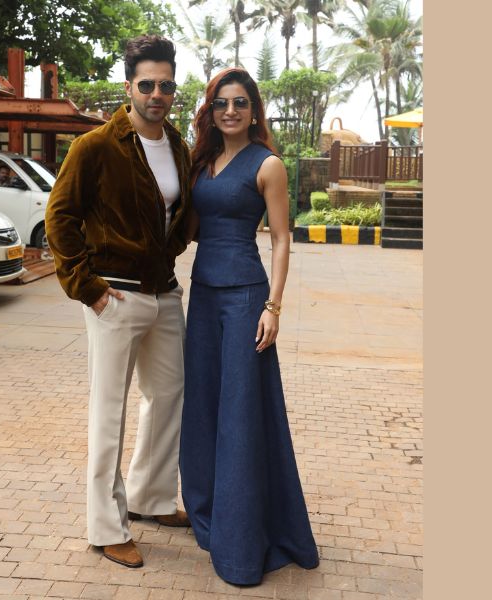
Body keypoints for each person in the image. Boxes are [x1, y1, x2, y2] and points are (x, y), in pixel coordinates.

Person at [44, 35, 192, 569]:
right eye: (147, 84)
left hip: (164, 292)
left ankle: (151, 496)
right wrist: (88, 287)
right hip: (114, 294)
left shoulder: (177, 144)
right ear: (129, 86)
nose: (157, 94)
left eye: (166, 85)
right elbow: (59, 216)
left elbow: (178, 214)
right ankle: (106, 526)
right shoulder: (97, 146)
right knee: (109, 410)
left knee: (167, 396)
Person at [179, 68, 320, 585]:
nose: (230, 111)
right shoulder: (203, 162)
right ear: (211, 110)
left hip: (244, 300)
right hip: (203, 296)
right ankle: (209, 516)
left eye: (240, 102)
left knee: (240, 413)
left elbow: (281, 238)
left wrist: (273, 307)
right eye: (221, 103)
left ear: (254, 109)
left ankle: (242, 542)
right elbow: (191, 227)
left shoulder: (268, 164)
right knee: (203, 407)